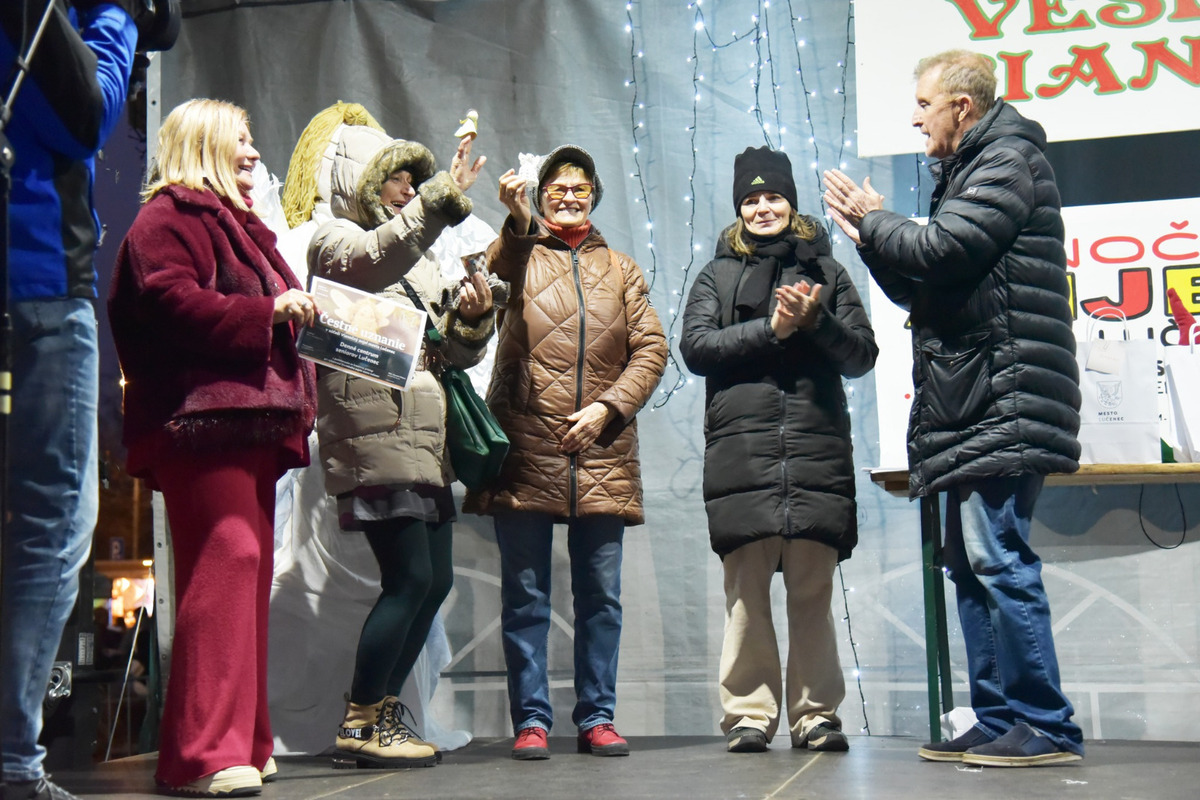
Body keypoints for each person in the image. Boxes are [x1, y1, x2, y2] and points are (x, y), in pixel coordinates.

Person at [823, 49, 1085, 767]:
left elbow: (942, 248)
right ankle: (1001, 717)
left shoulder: (1005, 161)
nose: (915, 117)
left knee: (999, 560)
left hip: (1004, 392)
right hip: (971, 398)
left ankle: (1049, 726)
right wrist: (871, 241)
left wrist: (877, 220)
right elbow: (925, 287)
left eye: (923, 104)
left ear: (961, 108)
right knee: (970, 566)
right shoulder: (969, 170)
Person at [108, 98, 318, 796]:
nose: (255, 153)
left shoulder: (240, 229)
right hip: (204, 425)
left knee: (245, 571)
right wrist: (269, 311)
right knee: (230, 561)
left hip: (247, 424)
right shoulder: (167, 218)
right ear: (204, 146)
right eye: (242, 140)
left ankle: (244, 742)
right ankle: (204, 752)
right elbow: (168, 302)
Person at [463, 145, 667, 760]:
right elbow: (495, 273)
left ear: (594, 194)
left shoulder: (622, 269)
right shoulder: (521, 252)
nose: (570, 195)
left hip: (600, 450)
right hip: (527, 445)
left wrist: (609, 408)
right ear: (541, 192)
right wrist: (518, 220)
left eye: (580, 187)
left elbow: (652, 349)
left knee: (600, 597)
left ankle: (597, 716)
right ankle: (531, 719)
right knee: (525, 594)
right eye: (558, 187)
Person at [679, 146, 877, 755]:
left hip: (816, 455)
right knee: (746, 596)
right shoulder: (716, 274)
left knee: (814, 594)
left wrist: (816, 321)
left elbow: (862, 356)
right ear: (738, 210)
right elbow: (697, 348)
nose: (762, 208)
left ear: (792, 205)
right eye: (750, 199)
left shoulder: (830, 271)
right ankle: (749, 714)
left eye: (773, 198)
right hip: (742, 458)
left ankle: (816, 714)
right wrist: (773, 329)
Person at [308, 128, 492, 768]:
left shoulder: (421, 257)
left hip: (426, 437)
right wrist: (441, 199)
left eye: (416, 181)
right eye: (398, 179)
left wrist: (472, 317)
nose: (410, 190)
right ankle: (360, 718)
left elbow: (452, 352)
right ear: (363, 181)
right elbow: (372, 260)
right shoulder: (333, 238)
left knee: (434, 581)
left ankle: (382, 710)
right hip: (375, 434)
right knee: (409, 577)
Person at [0, 4, 137, 799]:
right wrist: (117, 17)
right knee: (53, 524)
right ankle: (15, 762)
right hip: (39, 285)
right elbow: (86, 115)